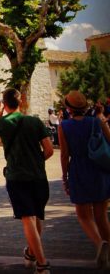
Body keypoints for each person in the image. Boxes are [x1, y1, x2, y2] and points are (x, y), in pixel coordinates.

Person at [0, 88, 55, 273]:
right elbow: (49, 151)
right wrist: (35, 161)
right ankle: (31, 254)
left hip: (16, 177)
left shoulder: (0, 123)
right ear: (21, 101)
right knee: (36, 217)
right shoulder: (35, 121)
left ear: (4, 103)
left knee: (28, 219)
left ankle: (42, 264)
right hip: (39, 176)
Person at [58, 90, 110, 269]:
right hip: (99, 169)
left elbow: (64, 155)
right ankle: (109, 254)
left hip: (79, 170)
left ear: (68, 108)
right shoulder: (96, 121)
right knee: (101, 215)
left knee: (83, 215)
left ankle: (99, 244)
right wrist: (101, 116)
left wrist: (64, 178)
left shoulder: (64, 126)